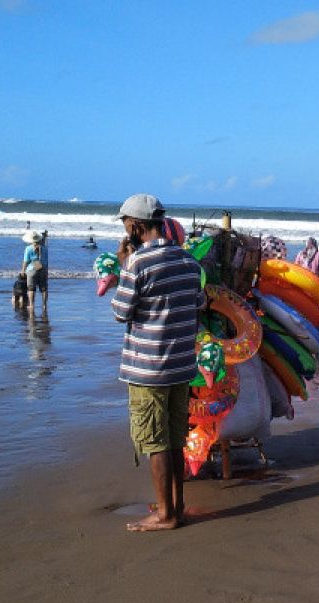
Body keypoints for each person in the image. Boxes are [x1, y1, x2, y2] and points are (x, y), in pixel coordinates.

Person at [110, 194, 202, 532]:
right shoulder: (190, 262)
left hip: (149, 369)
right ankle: (176, 508)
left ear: (135, 226)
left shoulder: (138, 264)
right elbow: (198, 304)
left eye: (125, 225)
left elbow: (120, 313)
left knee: (155, 442)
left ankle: (164, 515)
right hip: (181, 366)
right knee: (175, 440)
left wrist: (123, 266)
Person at [20, 230, 48, 310]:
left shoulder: (28, 248)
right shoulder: (44, 248)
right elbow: (46, 261)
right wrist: (46, 270)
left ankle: (32, 305)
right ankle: (44, 305)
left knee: (31, 288)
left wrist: (23, 270)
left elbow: (26, 261)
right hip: (42, 268)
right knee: (44, 288)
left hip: (32, 269)